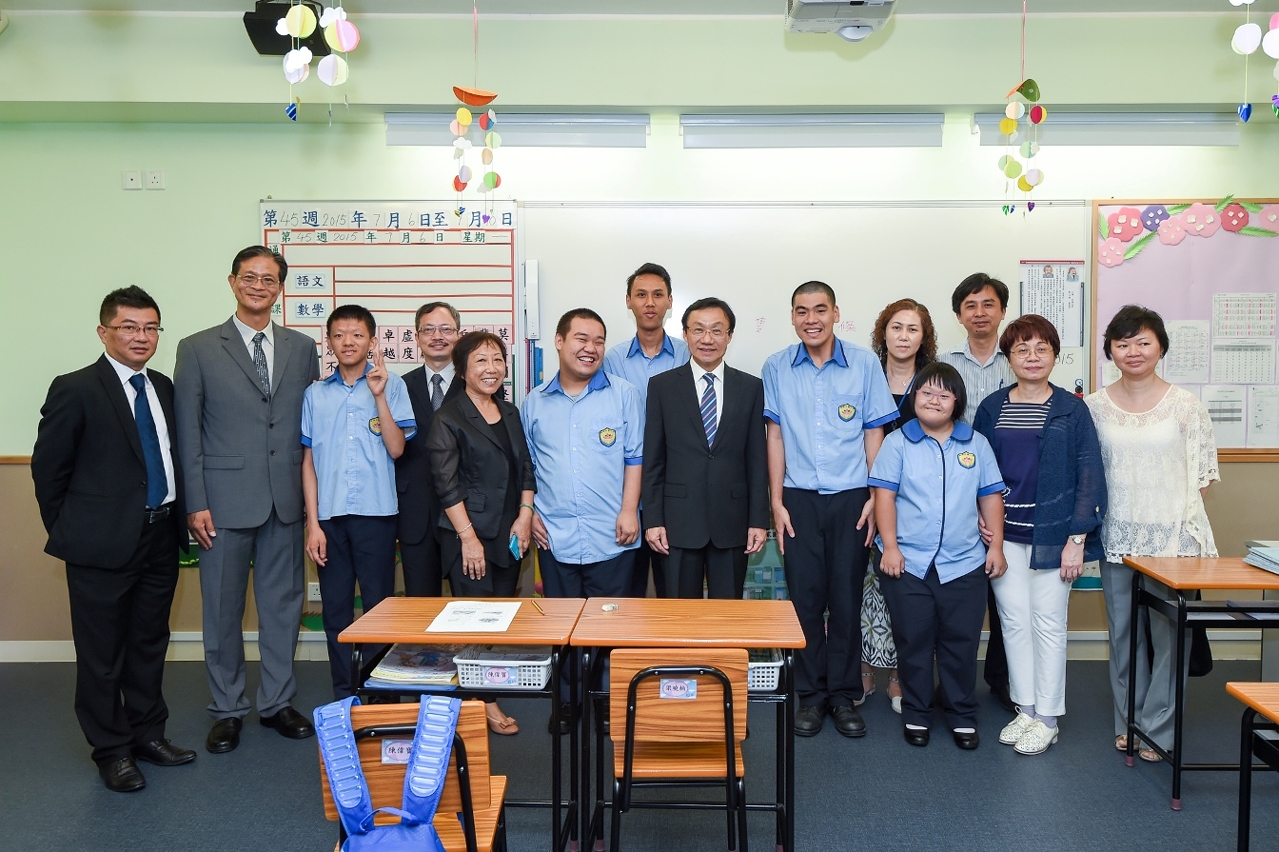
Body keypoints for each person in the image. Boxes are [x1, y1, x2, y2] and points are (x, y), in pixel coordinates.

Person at [32, 286, 196, 792]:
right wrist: (72, 532)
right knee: (102, 653)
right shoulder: (76, 388)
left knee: (149, 643)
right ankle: (111, 750)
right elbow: (48, 471)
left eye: (150, 328)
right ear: (104, 332)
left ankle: (148, 734)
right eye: (129, 327)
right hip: (98, 547)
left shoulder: (164, 387)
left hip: (158, 538)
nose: (141, 337)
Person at [174, 246, 320, 754]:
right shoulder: (196, 348)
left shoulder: (302, 348)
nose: (260, 285)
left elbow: (307, 429)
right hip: (221, 501)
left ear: (280, 289)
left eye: (270, 279)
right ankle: (228, 708)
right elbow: (187, 433)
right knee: (221, 610)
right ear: (233, 282)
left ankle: (277, 703)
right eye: (250, 277)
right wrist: (195, 501)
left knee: (283, 607)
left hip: (284, 500)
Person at [762, 281, 898, 738]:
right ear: (793, 316)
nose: (811, 319)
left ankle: (842, 697)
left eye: (820, 310)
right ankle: (811, 697)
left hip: (852, 499)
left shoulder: (863, 364)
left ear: (836, 313)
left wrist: (875, 500)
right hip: (798, 499)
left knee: (845, 600)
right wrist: (776, 501)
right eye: (802, 311)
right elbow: (775, 437)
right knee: (804, 603)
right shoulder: (777, 367)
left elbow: (873, 436)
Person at [1085, 305, 1219, 763]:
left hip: (1173, 540)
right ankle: (1129, 722)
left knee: (1170, 637)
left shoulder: (1185, 406)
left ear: (1160, 346)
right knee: (1123, 635)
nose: (1133, 351)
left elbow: (1201, 478)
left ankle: (1158, 726)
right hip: (1118, 535)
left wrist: (1173, 528)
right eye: (1122, 343)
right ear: (1111, 351)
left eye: (1143, 341)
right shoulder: (1095, 407)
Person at [974, 314, 1107, 756]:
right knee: (1012, 623)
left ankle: (1048, 717)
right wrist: (979, 517)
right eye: (1021, 350)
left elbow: (1090, 473)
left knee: (1048, 624)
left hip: (1053, 536)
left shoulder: (1072, 408)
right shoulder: (993, 406)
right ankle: (1025, 709)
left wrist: (1077, 538)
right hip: (1002, 535)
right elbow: (977, 468)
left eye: (1041, 348)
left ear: (1054, 354)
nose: (1032, 357)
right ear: (1008, 357)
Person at [869, 361, 1007, 750]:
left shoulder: (975, 443)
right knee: (913, 641)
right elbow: (885, 497)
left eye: (943, 394)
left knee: (960, 642)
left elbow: (990, 496)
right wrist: (890, 547)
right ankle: (917, 712)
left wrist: (995, 546)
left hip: (964, 563)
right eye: (926, 393)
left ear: (956, 401)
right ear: (913, 398)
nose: (934, 400)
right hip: (909, 563)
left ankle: (962, 714)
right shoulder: (898, 442)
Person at [523, 308, 644, 730]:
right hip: (554, 535)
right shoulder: (534, 401)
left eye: (598, 341)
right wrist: (531, 512)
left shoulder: (624, 394)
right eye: (580, 339)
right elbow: (530, 468)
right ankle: (568, 701)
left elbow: (636, 457)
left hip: (612, 533)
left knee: (610, 627)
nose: (590, 349)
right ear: (559, 341)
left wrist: (630, 509)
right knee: (564, 626)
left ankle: (607, 700)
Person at [302, 305, 415, 700]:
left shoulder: (393, 385)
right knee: (335, 611)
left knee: (378, 610)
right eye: (339, 335)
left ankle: (382, 694)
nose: (348, 342)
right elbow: (309, 463)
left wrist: (379, 396)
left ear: (371, 340)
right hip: (329, 520)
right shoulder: (315, 394)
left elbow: (397, 448)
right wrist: (312, 524)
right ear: (329, 342)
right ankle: (345, 695)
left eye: (357, 335)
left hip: (377, 516)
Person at [427, 331, 536, 735]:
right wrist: (468, 539)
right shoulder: (449, 418)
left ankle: (481, 690)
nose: (491, 369)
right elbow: (446, 485)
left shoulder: (509, 411)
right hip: (467, 534)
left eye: (497, 360)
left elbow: (526, 467)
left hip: (508, 531)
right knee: (476, 620)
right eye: (480, 361)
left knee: (501, 615)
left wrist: (524, 515)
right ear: (462, 370)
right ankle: (483, 702)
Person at [642, 297, 769, 599]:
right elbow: (654, 460)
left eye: (716, 330)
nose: (707, 339)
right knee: (679, 616)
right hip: (677, 524)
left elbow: (756, 459)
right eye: (698, 330)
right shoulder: (661, 387)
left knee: (727, 616)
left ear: (729, 336)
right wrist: (654, 520)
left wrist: (758, 521)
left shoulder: (751, 388)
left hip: (732, 522)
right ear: (685, 334)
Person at [939, 272, 1017, 713]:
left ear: (1002, 310)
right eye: (970, 305)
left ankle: (1003, 679)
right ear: (959, 315)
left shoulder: (1020, 359)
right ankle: (953, 683)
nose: (980, 313)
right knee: (961, 596)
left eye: (988, 304)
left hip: (1015, 491)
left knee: (1005, 590)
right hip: (955, 493)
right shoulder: (946, 365)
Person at [861, 298, 938, 714]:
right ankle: (865, 664)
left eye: (913, 329)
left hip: (916, 502)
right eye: (896, 327)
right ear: (883, 333)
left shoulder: (933, 381)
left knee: (905, 589)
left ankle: (899, 674)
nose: (903, 336)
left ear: (923, 337)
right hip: (864, 495)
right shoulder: (862, 372)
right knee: (863, 586)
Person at [602, 262, 690, 599]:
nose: (649, 303)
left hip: (675, 493)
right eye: (641, 295)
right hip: (625, 496)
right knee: (627, 593)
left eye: (657, 295)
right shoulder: (612, 359)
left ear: (670, 301)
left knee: (675, 593)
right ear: (628, 301)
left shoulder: (688, 354)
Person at [396, 301, 461, 597]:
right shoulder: (399, 386)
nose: (438, 336)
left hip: (465, 511)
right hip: (415, 513)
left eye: (446, 329)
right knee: (419, 603)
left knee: (470, 603)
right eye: (429, 329)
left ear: (458, 335)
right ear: (417, 336)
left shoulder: (476, 383)